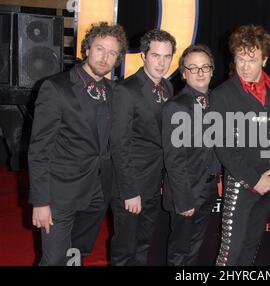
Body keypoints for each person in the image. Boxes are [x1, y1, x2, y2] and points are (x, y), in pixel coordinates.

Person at [29, 22, 128, 266]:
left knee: (77, 254)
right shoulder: (56, 88)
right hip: (60, 194)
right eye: (100, 49)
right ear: (86, 49)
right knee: (53, 261)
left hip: (98, 193)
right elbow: (39, 149)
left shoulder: (113, 91)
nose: (105, 58)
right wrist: (41, 201)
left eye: (112, 53)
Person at [209, 25, 270, 266]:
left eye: (252, 60)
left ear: (264, 60)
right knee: (230, 253)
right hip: (242, 182)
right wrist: (255, 180)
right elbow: (222, 145)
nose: (244, 66)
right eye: (240, 59)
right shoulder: (222, 94)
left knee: (251, 247)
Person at [110, 29, 176, 265]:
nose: (162, 63)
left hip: (154, 184)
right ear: (144, 56)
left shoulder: (168, 88)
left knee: (143, 245)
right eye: (156, 56)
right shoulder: (126, 90)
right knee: (124, 249)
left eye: (167, 56)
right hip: (131, 185)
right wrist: (130, 191)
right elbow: (119, 144)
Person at [161, 44, 221, 266]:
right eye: (193, 68)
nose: (200, 72)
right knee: (179, 252)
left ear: (212, 71)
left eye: (205, 66)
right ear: (184, 73)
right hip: (185, 193)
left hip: (208, 190)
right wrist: (184, 200)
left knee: (195, 248)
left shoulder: (217, 102)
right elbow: (173, 159)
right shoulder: (176, 107)